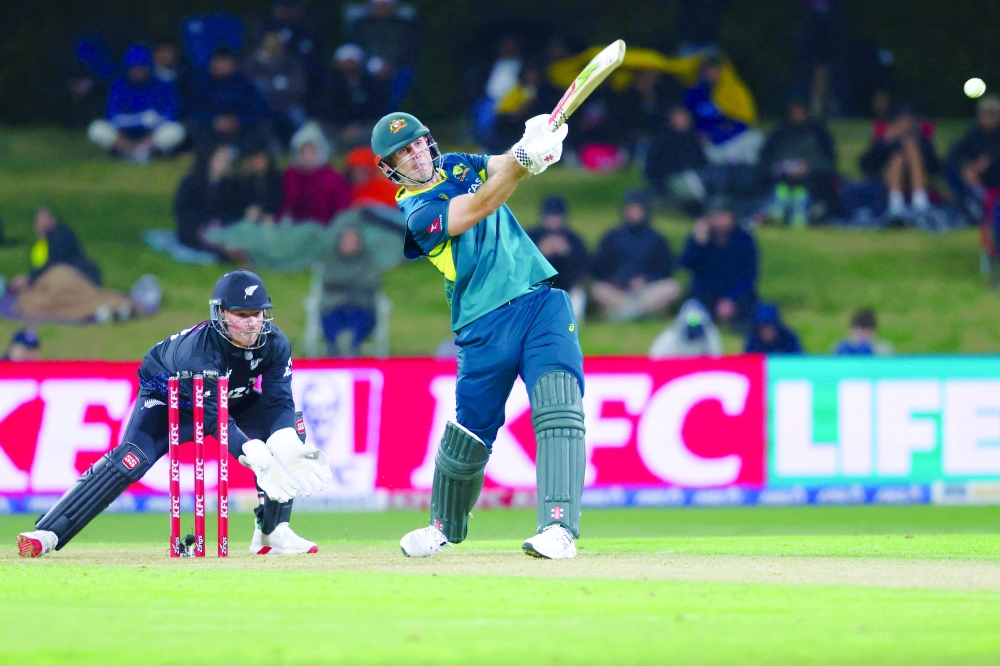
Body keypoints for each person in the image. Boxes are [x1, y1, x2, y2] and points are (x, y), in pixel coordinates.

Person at [371, 109, 583, 559]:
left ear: (428, 140)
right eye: (402, 154)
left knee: (559, 406)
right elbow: (483, 203)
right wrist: (525, 159)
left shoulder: (456, 164)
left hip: (538, 302)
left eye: (415, 144)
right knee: (471, 432)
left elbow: (502, 166)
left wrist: (535, 148)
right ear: (391, 170)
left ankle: (558, 529)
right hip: (482, 323)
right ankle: (442, 527)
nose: (414, 156)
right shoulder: (418, 214)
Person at [16, 270, 333, 558]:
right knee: (131, 460)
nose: (252, 323)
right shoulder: (200, 352)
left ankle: (272, 532)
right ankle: (48, 532)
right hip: (169, 397)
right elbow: (214, 422)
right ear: (221, 315)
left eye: (257, 313)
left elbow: (279, 403)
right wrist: (256, 457)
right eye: (241, 314)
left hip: (230, 398)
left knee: (293, 428)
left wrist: (286, 444)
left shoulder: (274, 342)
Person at [7, 208, 134, 323]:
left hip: (80, 276)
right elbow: (40, 268)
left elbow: (55, 264)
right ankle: (109, 309)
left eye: (42, 220)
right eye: (37, 221)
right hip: (58, 280)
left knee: (80, 299)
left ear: (51, 219)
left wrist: (31, 281)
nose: (39, 224)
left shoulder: (60, 234)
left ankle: (114, 305)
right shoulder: (41, 244)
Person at [591, 189, 681, 321]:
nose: (634, 212)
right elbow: (599, 268)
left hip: (647, 292)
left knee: (673, 287)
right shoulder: (612, 237)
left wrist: (646, 279)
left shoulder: (656, 238)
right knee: (597, 289)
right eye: (631, 208)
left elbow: (665, 269)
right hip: (619, 292)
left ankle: (626, 314)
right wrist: (619, 280)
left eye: (637, 208)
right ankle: (639, 313)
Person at [87, 44, 186, 161]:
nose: (137, 72)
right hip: (124, 133)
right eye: (133, 69)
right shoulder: (119, 85)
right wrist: (136, 120)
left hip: (152, 133)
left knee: (176, 130)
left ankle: (142, 150)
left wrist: (157, 120)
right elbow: (112, 114)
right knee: (97, 129)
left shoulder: (163, 83)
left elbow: (171, 111)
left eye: (141, 68)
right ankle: (132, 151)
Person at [758, 96, 837, 226]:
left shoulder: (818, 134)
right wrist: (782, 169)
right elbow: (765, 163)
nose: (798, 114)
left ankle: (801, 215)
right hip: (779, 182)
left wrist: (808, 168)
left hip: (810, 184)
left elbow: (828, 164)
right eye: (795, 111)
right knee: (780, 192)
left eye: (801, 111)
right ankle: (776, 214)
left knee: (801, 194)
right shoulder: (778, 134)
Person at [679, 204, 758, 330]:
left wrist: (731, 299)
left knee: (748, 308)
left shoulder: (744, 240)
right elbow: (686, 264)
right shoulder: (701, 239)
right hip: (706, 292)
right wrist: (698, 243)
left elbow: (749, 275)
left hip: (734, 290)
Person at [187, 47, 271, 163]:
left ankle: (235, 152)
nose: (221, 65)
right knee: (192, 124)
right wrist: (215, 120)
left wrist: (237, 120)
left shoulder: (245, 83)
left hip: (239, 128)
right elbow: (195, 109)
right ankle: (211, 151)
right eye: (218, 61)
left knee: (263, 128)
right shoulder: (203, 82)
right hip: (213, 127)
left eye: (225, 62)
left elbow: (257, 110)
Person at [859, 105, 939, 219]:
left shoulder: (921, 140)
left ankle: (920, 204)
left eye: (908, 121)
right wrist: (884, 142)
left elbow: (934, 166)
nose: (905, 126)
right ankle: (896, 207)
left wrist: (917, 146)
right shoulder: (887, 140)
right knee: (898, 158)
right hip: (887, 183)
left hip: (918, 181)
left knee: (911, 151)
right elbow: (867, 165)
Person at [684, 56, 764, 166]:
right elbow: (689, 122)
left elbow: (742, 121)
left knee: (755, 138)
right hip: (708, 141)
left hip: (729, 134)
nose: (712, 75)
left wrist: (726, 130)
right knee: (711, 153)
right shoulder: (694, 94)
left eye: (716, 71)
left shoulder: (732, 91)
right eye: (709, 71)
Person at [320, 225, 381, 357]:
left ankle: (350, 350)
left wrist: (342, 280)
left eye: (353, 241)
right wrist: (356, 279)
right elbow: (328, 279)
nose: (349, 244)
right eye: (346, 241)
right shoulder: (331, 258)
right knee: (330, 320)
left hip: (361, 304)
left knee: (361, 321)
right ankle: (335, 353)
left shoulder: (368, 259)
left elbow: (372, 282)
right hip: (334, 305)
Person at [527, 196, 590, 321]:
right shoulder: (531, 237)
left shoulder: (573, 240)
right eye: (550, 216)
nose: (554, 220)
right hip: (538, 289)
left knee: (578, 295)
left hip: (566, 290)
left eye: (557, 216)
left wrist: (568, 254)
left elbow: (584, 269)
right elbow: (519, 270)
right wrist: (540, 254)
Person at [315, 44, 389, 149]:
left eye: (352, 62)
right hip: (337, 128)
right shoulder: (330, 84)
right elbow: (327, 110)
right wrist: (344, 127)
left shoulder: (370, 84)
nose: (349, 67)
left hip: (364, 128)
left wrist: (357, 126)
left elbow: (376, 109)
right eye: (345, 63)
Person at [277, 123, 351, 224]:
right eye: (303, 151)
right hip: (296, 230)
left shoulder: (333, 178)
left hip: (327, 230)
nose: (308, 156)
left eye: (312, 151)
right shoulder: (291, 176)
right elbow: (284, 206)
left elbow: (343, 211)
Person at [244, 31, 308, 142]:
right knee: (259, 119)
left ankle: (307, 146)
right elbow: (249, 84)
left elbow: (298, 87)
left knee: (299, 117)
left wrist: (278, 95)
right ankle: (271, 150)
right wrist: (260, 60)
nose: (272, 48)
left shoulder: (290, 62)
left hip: (288, 104)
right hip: (265, 106)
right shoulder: (255, 62)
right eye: (268, 45)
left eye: (275, 45)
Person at [645, 105, 709, 214]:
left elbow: (702, 162)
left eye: (684, 118)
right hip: (670, 180)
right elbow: (652, 167)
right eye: (678, 118)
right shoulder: (662, 140)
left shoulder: (693, 139)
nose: (682, 121)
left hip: (695, 177)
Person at [947, 95, 1000, 224]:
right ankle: (983, 203)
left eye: (992, 113)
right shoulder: (974, 134)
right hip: (978, 181)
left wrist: (989, 161)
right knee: (966, 171)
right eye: (985, 113)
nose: (988, 117)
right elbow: (954, 155)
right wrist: (971, 165)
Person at [648, 299, 723, 358]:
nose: (694, 329)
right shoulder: (669, 338)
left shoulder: (711, 336)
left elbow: (716, 360)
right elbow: (655, 358)